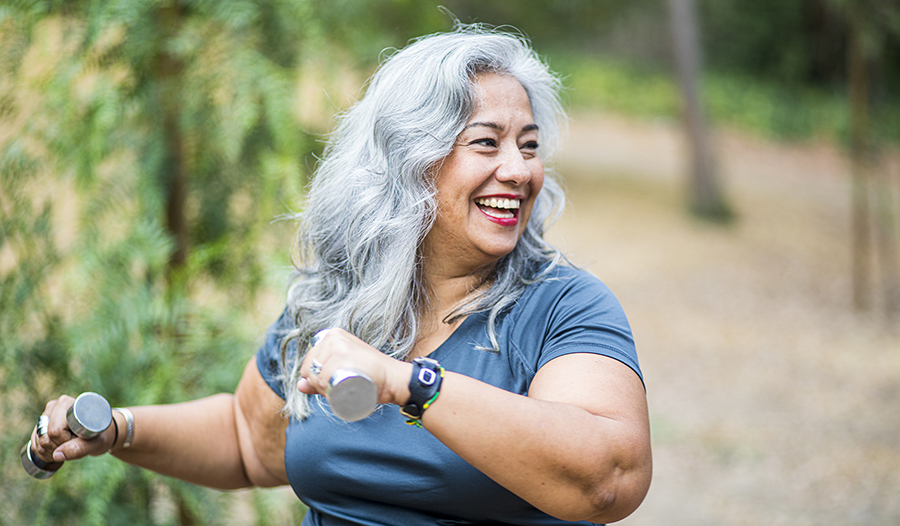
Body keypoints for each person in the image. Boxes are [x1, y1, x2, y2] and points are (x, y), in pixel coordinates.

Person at [30, 24, 652, 525]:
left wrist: (410, 384)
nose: (520, 170)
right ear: (411, 160)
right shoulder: (338, 296)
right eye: (486, 143)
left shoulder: (564, 308)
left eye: (529, 145)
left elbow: (608, 479)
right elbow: (249, 439)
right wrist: (118, 429)